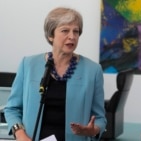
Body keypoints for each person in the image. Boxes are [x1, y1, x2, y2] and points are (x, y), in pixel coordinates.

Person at [4, 7, 106, 141]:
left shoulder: (93, 70)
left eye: (76, 31)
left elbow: (100, 118)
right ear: (50, 35)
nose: (72, 36)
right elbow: (12, 109)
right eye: (65, 30)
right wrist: (20, 135)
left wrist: (93, 130)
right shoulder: (28, 65)